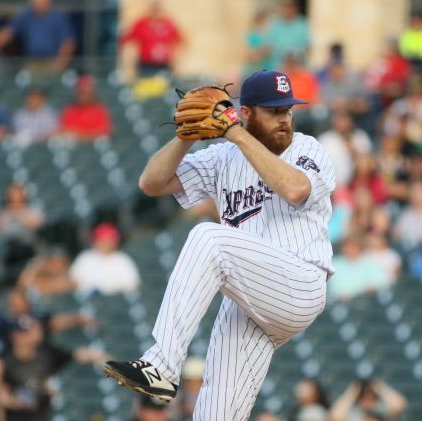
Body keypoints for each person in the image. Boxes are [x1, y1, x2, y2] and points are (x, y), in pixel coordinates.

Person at [103, 69, 335, 420]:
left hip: (298, 282)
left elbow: (295, 189)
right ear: (247, 112)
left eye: (287, 109)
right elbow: (151, 183)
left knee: (207, 236)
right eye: (273, 111)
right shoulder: (222, 159)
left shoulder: (307, 147)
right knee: (216, 413)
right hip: (249, 296)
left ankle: (163, 365)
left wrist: (236, 134)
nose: (284, 118)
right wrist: (186, 136)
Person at [0, 316, 107, 421]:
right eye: (24, 333)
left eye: (29, 330)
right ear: (14, 336)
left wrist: (97, 356)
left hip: (42, 415)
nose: (31, 334)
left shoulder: (46, 353)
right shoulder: (3, 361)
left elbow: (75, 355)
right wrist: (14, 401)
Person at [0, 0, 75, 73]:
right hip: (32, 62)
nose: (37, 3)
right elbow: (8, 32)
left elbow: (68, 42)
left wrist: (61, 61)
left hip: (53, 62)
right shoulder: (27, 15)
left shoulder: (58, 17)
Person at [69, 223, 141, 295]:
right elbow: (73, 281)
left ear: (115, 243)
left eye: (108, 241)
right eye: (102, 240)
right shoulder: (85, 257)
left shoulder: (123, 260)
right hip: (88, 300)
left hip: (115, 302)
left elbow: (133, 286)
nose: (105, 244)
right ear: (95, 241)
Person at [119, 1, 183, 76]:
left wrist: (175, 58)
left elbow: (179, 40)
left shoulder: (168, 24)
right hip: (146, 64)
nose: (155, 12)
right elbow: (126, 39)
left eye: (157, 9)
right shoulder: (141, 24)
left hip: (164, 64)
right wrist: (128, 60)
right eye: (153, 9)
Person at [328, 235, 390, 302]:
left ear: (360, 247)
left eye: (353, 246)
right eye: (347, 246)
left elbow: (381, 283)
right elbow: (332, 287)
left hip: (366, 302)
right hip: (339, 302)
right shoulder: (335, 263)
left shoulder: (370, 263)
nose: (350, 249)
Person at [58, 74, 113, 140]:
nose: (83, 96)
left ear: (92, 93)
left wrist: (81, 134)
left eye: (86, 93)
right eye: (81, 92)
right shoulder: (70, 110)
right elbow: (63, 130)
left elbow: (105, 132)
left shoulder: (100, 110)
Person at [330, 378, 407, 421]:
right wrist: (353, 392)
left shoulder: (382, 410)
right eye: (363, 398)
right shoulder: (354, 414)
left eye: (371, 397)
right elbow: (335, 416)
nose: (367, 401)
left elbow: (400, 405)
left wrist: (379, 387)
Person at [266, 0, 311, 69]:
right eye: (285, 7)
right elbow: (268, 46)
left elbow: (307, 46)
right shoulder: (274, 24)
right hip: (277, 66)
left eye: (290, 7)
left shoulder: (302, 24)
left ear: (295, 8)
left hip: (297, 67)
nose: (287, 10)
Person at [244, 11, 272, 75]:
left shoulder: (269, 35)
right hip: (254, 69)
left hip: (266, 68)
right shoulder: (252, 35)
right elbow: (249, 55)